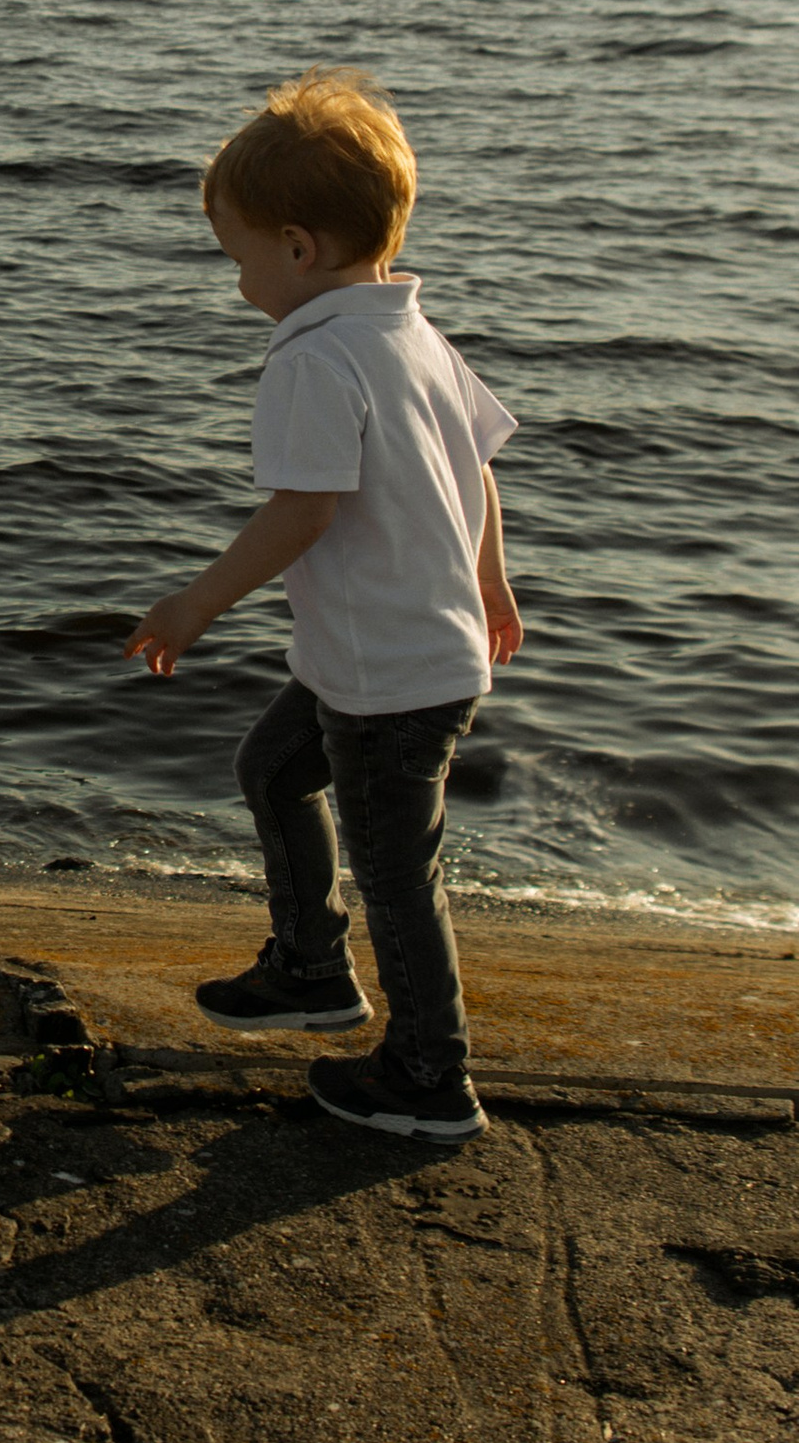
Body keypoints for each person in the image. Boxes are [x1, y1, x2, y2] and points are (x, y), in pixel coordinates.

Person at [127, 68, 521, 1143]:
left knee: (399, 877)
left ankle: (428, 1077)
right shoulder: (411, 332)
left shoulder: (313, 356)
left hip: (388, 674)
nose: (239, 283)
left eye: (240, 258)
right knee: (272, 769)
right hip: (387, 654)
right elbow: (475, 466)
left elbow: (302, 511)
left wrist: (192, 605)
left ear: (297, 249)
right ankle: (308, 968)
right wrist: (489, 579)